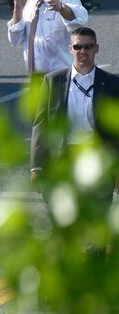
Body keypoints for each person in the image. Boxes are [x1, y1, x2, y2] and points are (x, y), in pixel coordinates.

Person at [31, 27, 119, 194]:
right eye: (78, 47)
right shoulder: (52, 81)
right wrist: (36, 167)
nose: (83, 51)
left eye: (88, 46)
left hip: (99, 160)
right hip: (63, 160)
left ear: (97, 49)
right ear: (70, 50)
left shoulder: (112, 83)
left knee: (97, 215)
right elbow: (41, 125)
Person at [8, 0, 88, 75]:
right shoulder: (28, 4)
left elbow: (80, 21)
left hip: (62, 77)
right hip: (36, 80)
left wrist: (61, 8)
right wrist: (17, 9)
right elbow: (15, 41)